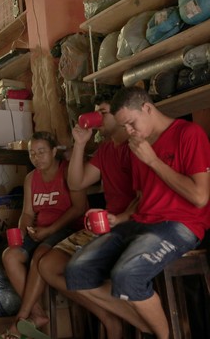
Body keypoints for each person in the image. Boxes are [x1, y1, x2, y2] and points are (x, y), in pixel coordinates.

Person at [65, 86, 210, 339]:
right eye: (125, 126)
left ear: (147, 108)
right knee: (77, 271)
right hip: (140, 222)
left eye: (131, 123)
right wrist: (119, 219)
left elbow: (200, 197)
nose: (129, 131)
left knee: (126, 275)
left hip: (180, 224)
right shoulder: (137, 146)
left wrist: (153, 161)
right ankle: (145, 324)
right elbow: (141, 198)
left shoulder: (188, 134)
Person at [38, 91, 138, 339]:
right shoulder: (106, 149)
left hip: (128, 225)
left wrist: (122, 218)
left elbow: (143, 198)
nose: (98, 119)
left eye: (102, 113)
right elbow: (76, 183)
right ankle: (110, 317)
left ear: (121, 113)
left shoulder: (135, 145)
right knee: (48, 266)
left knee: (79, 270)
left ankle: (137, 317)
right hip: (106, 224)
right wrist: (81, 143)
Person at [1, 131, 87, 339]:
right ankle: (37, 314)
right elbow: (28, 213)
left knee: (40, 255)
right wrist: (22, 233)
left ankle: (21, 319)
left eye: (41, 152)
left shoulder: (67, 172)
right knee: (9, 255)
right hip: (40, 231)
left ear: (54, 151)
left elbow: (80, 207)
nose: (36, 157)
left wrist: (49, 230)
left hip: (67, 229)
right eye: (32, 153)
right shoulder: (31, 178)